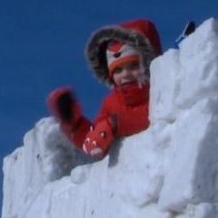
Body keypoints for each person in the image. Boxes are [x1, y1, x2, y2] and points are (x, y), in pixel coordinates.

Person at [47, 19, 163, 159]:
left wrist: (115, 124)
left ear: (148, 64)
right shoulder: (111, 103)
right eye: (118, 70)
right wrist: (74, 124)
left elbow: (157, 114)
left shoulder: (160, 88)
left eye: (133, 66)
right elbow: (95, 138)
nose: (125, 74)